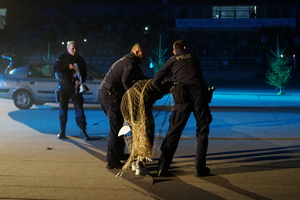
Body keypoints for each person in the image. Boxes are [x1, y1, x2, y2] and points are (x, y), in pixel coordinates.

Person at [152, 40, 213, 177]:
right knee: (202, 131)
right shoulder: (193, 56)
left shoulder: (172, 60)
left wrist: (164, 90)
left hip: (182, 96)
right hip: (199, 94)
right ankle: (199, 168)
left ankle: (162, 168)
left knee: (174, 132)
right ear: (185, 48)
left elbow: (156, 80)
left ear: (174, 50)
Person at [98, 43, 148, 169]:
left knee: (119, 125)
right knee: (115, 127)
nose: (145, 57)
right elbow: (125, 81)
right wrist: (132, 95)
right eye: (143, 54)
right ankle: (111, 161)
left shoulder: (129, 62)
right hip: (110, 96)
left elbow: (141, 78)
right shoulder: (130, 64)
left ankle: (119, 154)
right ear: (137, 52)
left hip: (106, 93)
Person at [52, 41, 90, 141]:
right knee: (62, 111)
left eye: (75, 48)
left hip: (75, 88)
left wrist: (81, 81)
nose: (75, 50)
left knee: (79, 111)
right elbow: (55, 68)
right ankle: (62, 131)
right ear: (68, 48)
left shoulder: (80, 59)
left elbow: (84, 73)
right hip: (64, 87)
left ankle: (83, 131)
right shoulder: (62, 57)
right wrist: (67, 66)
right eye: (72, 48)